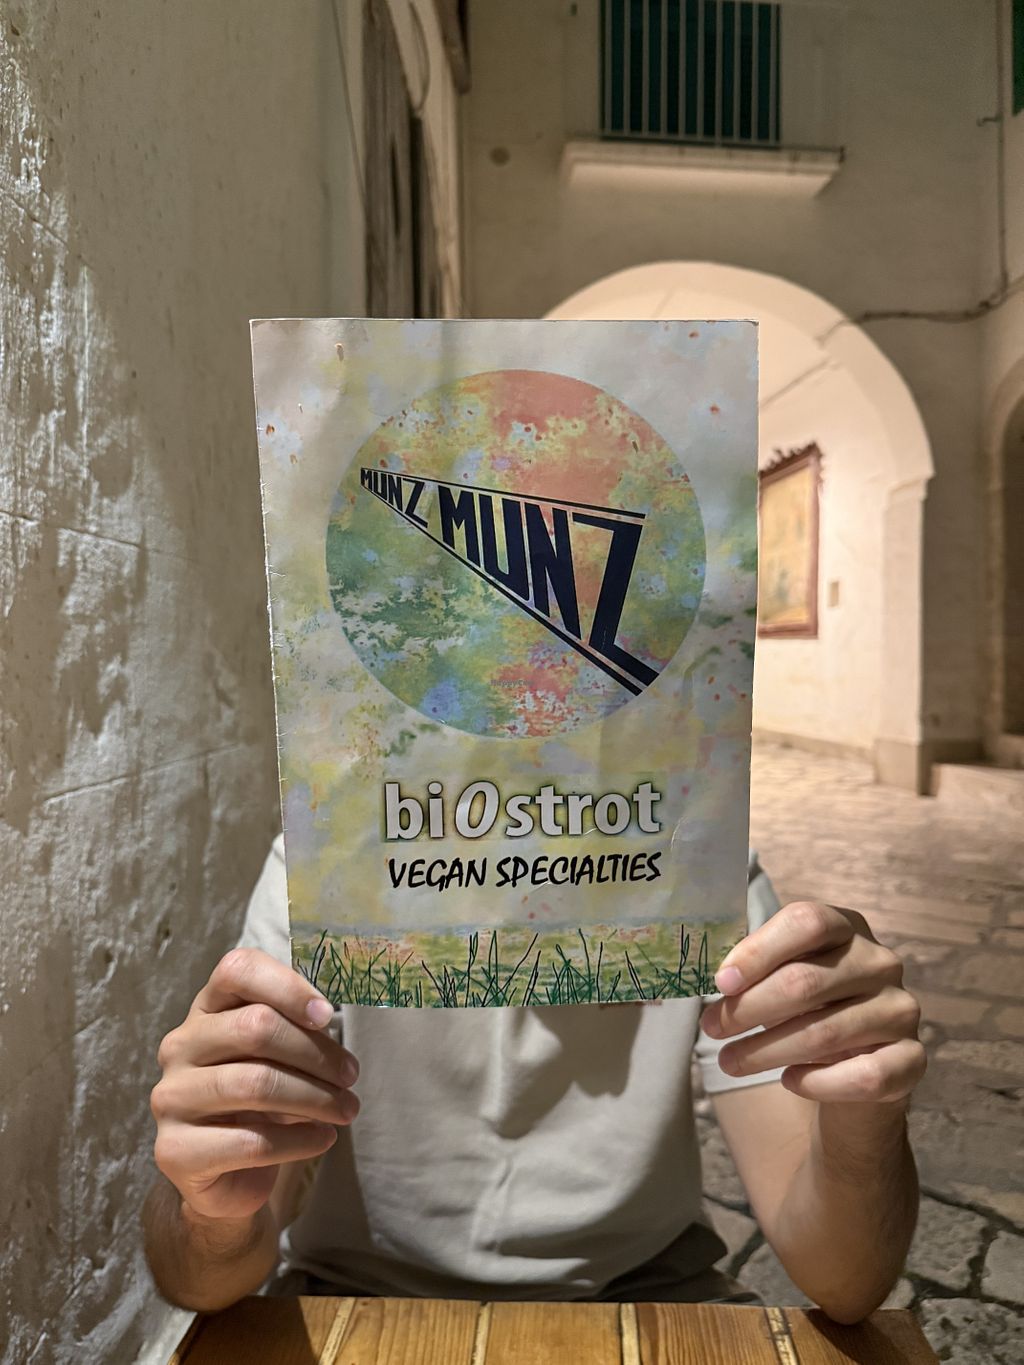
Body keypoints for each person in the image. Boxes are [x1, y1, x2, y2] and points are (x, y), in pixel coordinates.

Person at [143, 837, 925, 1322]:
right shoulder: (322, 864)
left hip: (651, 1296)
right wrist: (210, 1210)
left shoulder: (705, 865)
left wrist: (865, 1110)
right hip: (354, 1297)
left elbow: (846, 1278)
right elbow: (200, 1280)